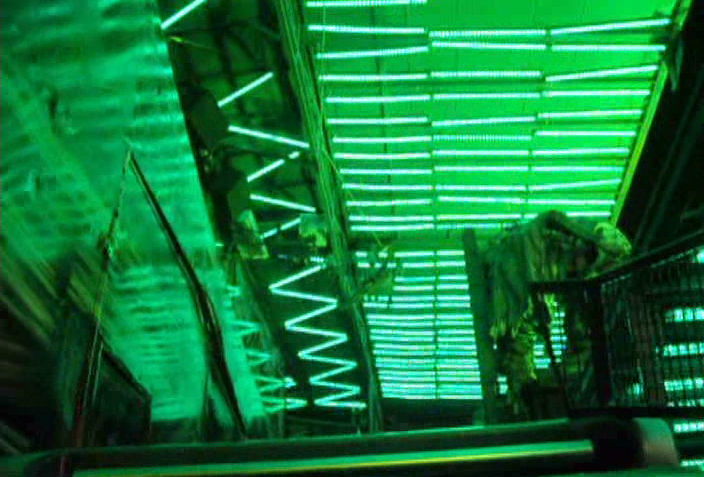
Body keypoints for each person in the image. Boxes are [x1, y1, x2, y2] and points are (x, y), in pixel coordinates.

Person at [483, 210, 632, 417]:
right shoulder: (535, 252)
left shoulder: (574, 271)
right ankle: (523, 395)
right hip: (523, 271)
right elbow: (552, 217)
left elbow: (578, 319)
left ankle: (528, 391)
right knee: (521, 332)